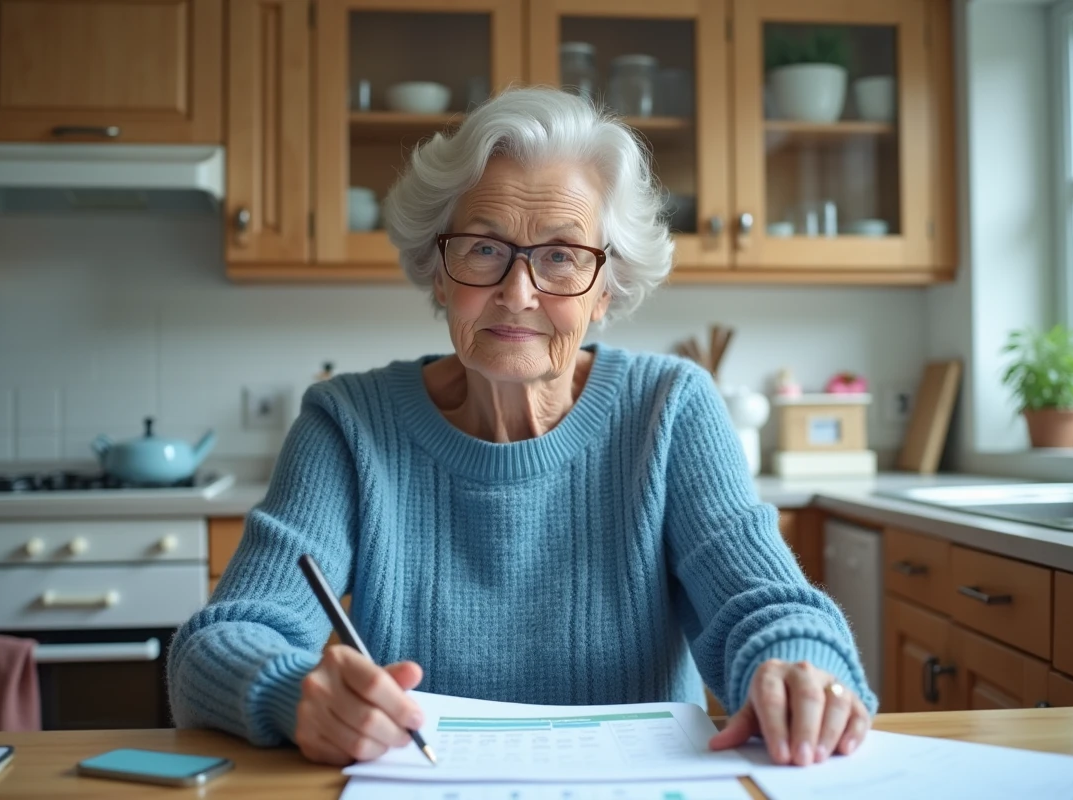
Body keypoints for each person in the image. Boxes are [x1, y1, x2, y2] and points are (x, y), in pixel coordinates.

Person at [167, 87, 877, 770]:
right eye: (482, 248)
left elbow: (768, 604)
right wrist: (291, 694)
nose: (517, 291)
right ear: (438, 273)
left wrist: (802, 670)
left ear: (606, 289)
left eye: (562, 255)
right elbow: (221, 643)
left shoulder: (670, 407)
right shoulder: (349, 422)